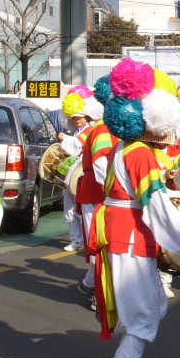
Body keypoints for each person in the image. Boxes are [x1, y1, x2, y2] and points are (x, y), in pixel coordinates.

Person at [86, 58, 180, 358]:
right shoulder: (140, 154)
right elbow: (155, 203)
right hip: (129, 237)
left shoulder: (125, 148)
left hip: (123, 233)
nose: (169, 132)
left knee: (150, 305)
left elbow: (149, 196)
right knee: (143, 310)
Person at [73, 79, 114, 307]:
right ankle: (100, 294)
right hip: (98, 195)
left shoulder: (115, 130)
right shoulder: (103, 130)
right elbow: (101, 168)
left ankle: (90, 284)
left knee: (108, 246)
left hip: (108, 196)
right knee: (101, 244)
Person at [57, 85, 102, 253]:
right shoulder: (76, 131)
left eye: (80, 117)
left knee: (81, 211)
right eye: (74, 117)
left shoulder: (89, 130)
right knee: (69, 210)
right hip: (71, 174)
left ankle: (85, 239)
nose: (77, 120)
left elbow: (78, 146)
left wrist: (64, 138)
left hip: (82, 175)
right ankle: (76, 239)